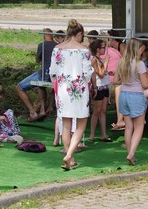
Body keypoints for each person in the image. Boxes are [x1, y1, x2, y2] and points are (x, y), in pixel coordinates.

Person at [50, 19, 94, 170]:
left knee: (66, 124)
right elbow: (87, 73)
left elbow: (52, 72)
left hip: (63, 89)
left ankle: (71, 157)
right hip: (79, 89)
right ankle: (69, 155)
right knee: (81, 124)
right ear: (80, 34)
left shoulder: (57, 49)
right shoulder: (84, 50)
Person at [115, 38, 148, 165]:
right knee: (139, 127)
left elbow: (115, 80)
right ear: (137, 49)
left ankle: (129, 153)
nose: (142, 52)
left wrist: (126, 80)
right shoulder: (140, 64)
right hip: (136, 96)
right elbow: (145, 84)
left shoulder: (122, 62)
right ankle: (131, 154)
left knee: (128, 127)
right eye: (141, 49)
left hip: (124, 94)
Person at [15, 28, 56, 121]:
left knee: (19, 87)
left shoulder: (42, 45)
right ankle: (45, 109)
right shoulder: (58, 46)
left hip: (44, 73)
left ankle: (33, 112)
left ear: (44, 36)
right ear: (52, 35)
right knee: (42, 85)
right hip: (54, 75)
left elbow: (37, 60)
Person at [88, 38, 112, 143]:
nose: (104, 49)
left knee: (103, 111)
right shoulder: (94, 60)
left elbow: (104, 73)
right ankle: (92, 135)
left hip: (105, 86)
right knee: (96, 111)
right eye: (103, 47)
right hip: (98, 87)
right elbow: (101, 74)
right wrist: (106, 61)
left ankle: (103, 134)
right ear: (97, 49)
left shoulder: (100, 60)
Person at [106, 31, 125, 131]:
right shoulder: (111, 49)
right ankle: (120, 119)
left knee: (119, 88)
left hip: (122, 73)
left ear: (113, 38)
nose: (107, 40)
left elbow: (124, 61)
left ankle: (120, 120)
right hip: (117, 75)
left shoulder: (121, 46)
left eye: (108, 38)